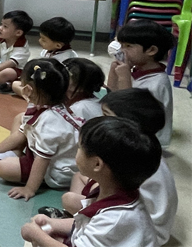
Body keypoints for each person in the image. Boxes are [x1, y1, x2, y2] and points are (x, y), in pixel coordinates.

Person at [52, 89, 177, 245]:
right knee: (79, 177)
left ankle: (80, 224)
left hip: (147, 229)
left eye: (106, 116)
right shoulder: (143, 151)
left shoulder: (134, 162)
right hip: (139, 220)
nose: (102, 121)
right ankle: (77, 223)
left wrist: (36, 234)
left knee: (69, 200)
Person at [20, 117, 159, 247]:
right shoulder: (115, 191)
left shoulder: (114, 219)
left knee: (39, 237)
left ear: (97, 164)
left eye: (80, 147)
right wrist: (52, 224)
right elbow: (88, 224)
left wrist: (36, 235)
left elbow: (97, 225)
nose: (77, 151)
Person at [0, 59, 82, 200]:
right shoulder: (42, 102)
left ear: (28, 90)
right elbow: (23, 130)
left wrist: (29, 188)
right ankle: (15, 154)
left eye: (22, 84)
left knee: (1, 168)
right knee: (20, 119)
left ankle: (33, 174)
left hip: (54, 168)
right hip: (42, 151)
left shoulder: (51, 122)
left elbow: (43, 159)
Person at [106, 19, 173, 147]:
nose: (121, 51)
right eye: (121, 46)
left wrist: (125, 78)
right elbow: (111, 98)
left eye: (128, 46)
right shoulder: (137, 70)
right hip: (132, 129)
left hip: (146, 142)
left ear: (151, 50)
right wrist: (114, 71)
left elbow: (131, 113)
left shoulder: (157, 84)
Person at [10, 17, 77, 96]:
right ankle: (32, 97)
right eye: (40, 37)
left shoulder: (66, 58)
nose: (39, 41)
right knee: (15, 84)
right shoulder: (47, 51)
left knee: (19, 85)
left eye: (44, 40)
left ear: (58, 45)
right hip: (43, 83)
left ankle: (35, 99)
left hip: (55, 88)